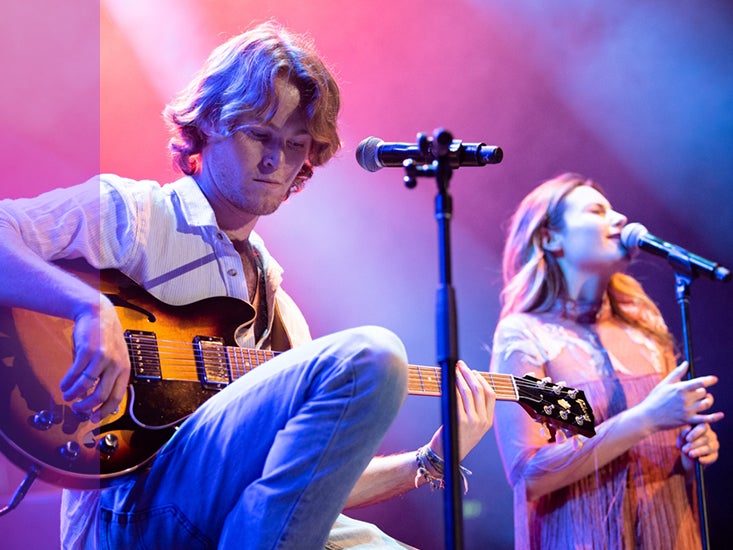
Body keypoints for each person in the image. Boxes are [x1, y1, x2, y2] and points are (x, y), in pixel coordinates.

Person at [0, 21, 495, 549]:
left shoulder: (279, 308)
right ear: (211, 121)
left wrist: (432, 461)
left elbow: (305, 484)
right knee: (373, 353)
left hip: (235, 521)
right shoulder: (133, 212)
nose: (273, 161)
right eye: (259, 134)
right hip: (131, 513)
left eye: (294, 145)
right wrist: (86, 307)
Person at [489, 172, 723, 549]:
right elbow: (529, 474)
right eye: (598, 211)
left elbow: (660, 445)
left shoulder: (643, 323)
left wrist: (691, 449)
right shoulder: (527, 335)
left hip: (669, 530)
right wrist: (645, 419)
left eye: (614, 210)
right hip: (584, 535)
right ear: (550, 238)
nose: (619, 220)